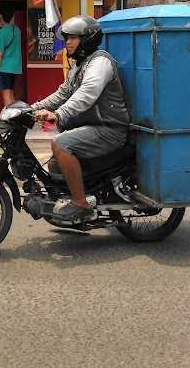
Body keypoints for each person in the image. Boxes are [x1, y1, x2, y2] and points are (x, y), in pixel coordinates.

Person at [32, 15, 130, 223]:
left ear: (88, 39)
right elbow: (62, 93)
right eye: (67, 38)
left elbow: (87, 93)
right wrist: (31, 110)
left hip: (109, 129)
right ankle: (72, 205)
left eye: (73, 38)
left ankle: (81, 205)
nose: (68, 42)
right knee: (55, 166)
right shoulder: (79, 64)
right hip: (93, 126)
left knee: (60, 144)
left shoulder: (100, 62)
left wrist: (59, 114)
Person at [0, 9, 22, 106]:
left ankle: (9, 119)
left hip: (5, 67)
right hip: (15, 68)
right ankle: (14, 118)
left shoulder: (2, 32)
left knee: (6, 94)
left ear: (1, 16)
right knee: (11, 93)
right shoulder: (17, 30)